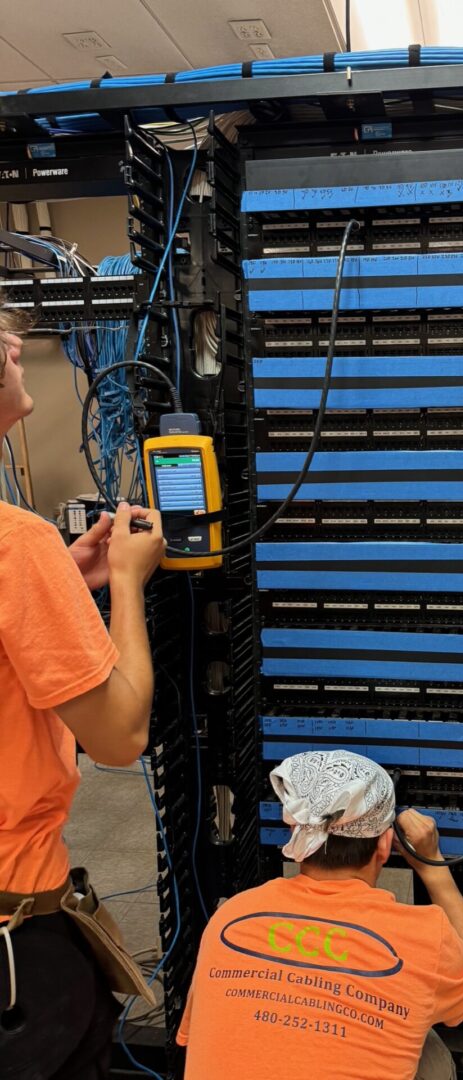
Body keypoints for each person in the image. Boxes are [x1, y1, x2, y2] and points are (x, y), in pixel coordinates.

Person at [0, 308, 166, 1078]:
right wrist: (126, 585)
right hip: (16, 930)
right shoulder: (13, 544)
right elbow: (119, 735)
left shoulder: (26, 556)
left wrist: (60, 584)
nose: (15, 344)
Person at [179, 749, 463, 1080]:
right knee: (432, 1054)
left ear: (299, 832)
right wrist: (433, 868)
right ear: (384, 846)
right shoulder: (422, 939)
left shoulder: (230, 917)